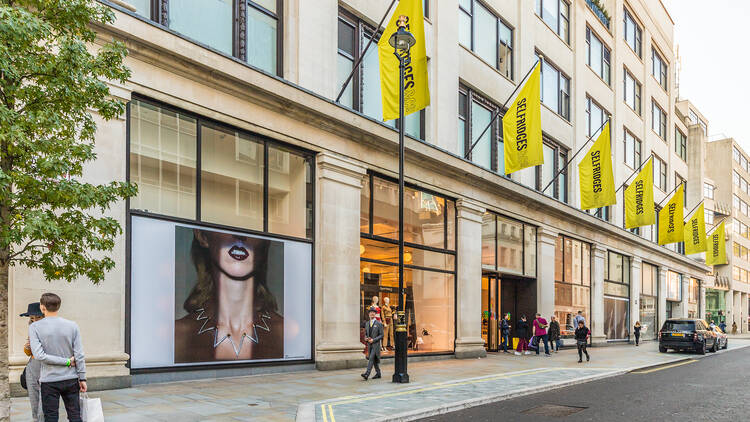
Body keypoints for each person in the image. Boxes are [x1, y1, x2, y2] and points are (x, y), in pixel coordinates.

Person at [174, 229, 283, 362]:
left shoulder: (286, 333)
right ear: (202, 236)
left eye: (251, 226)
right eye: (225, 224)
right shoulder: (178, 336)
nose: (240, 234)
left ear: (266, 241)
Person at [29, 293, 87, 422]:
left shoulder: (34, 327)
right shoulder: (72, 325)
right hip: (71, 378)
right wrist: (82, 377)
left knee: (51, 417)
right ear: (58, 307)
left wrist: (67, 362)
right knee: (75, 416)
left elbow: (39, 356)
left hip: (49, 380)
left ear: (42, 307)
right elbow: (79, 354)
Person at [21, 302, 45, 422]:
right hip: (32, 367)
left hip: (46, 368)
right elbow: (28, 353)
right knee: (34, 401)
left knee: (44, 403)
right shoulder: (31, 328)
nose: (35, 320)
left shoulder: (50, 329)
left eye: (38, 317)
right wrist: (27, 347)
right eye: (32, 318)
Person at [361, 307, 384, 380]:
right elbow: (366, 334)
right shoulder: (367, 323)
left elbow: (381, 335)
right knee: (374, 360)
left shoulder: (379, 324)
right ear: (369, 314)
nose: (372, 313)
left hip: (376, 345)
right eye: (370, 312)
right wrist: (366, 338)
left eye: (373, 312)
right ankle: (378, 373)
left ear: (375, 314)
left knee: (371, 358)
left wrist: (373, 340)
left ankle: (367, 374)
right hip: (369, 345)